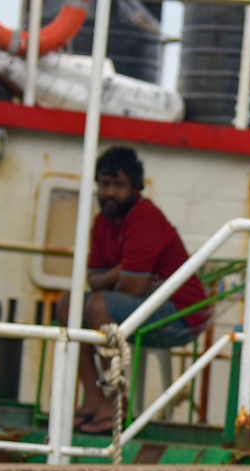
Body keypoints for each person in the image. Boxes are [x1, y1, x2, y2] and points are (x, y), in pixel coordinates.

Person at [57, 146, 211, 434]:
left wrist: (114, 276)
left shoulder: (144, 215)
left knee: (99, 305)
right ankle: (93, 398)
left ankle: (116, 403)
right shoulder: (102, 222)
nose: (111, 193)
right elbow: (94, 278)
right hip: (144, 304)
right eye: (105, 184)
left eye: (119, 185)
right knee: (67, 304)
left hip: (181, 315)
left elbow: (132, 285)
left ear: (135, 188)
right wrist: (119, 273)